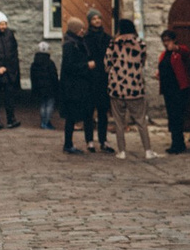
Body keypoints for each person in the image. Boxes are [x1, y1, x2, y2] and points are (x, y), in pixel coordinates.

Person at [107, 17, 156, 159]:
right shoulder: (140, 43)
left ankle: (122, 151)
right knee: (141, 120)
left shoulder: (113, 44)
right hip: (134, 87)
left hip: (116, 87)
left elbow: (106, 64)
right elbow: (142, 62)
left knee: (119, 121)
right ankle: (148, 150)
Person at [58, 16, 101, 155]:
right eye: (81, 28)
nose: (83, 31)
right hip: (73, 87)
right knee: (71, 116)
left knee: (80, 114)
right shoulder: (70, 45)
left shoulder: (78, 42)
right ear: (75, 30)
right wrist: (86, 66)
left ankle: (76, 142)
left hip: (80, 86)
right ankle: (68, 144)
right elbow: (70, 66)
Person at [158, 29, 190, 153]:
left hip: (178, 89)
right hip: (168, 89)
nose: (166, 43)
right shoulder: (164, 54)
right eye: (164, 41)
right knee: (172, 117)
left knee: (177, 117)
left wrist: (175, 48)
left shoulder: (179, 51)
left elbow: (186, 52)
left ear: (174, 40)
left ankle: (178, 144)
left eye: (168, 40)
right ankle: (176, 143)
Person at [83, 9, 113, 150]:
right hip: (90, 78)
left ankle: (103, 140)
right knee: (88, 111)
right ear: (90, 21)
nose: (97, 21)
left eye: (99, 18)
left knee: (103, 111)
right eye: (94, 19)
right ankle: (89, 140)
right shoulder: (86, 38)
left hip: (103, 77)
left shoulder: (107, 38)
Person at [0, 14, 21, 129]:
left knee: (9, 96)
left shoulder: (9, 34)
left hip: (8, 71)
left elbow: (14, 50)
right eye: (1, 24)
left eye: (5, 24)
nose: (4, 26)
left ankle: (11, 119)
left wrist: (13, 66)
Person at [31, 41, 61, 129]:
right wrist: (56, 87)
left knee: (43, 104)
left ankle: (43, 122)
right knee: (49, 104)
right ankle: (46, 122)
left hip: (40, 87)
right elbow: (54, 76)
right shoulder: (50, 63)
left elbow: (32, 77)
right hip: (49, 87)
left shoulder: (34, 64)